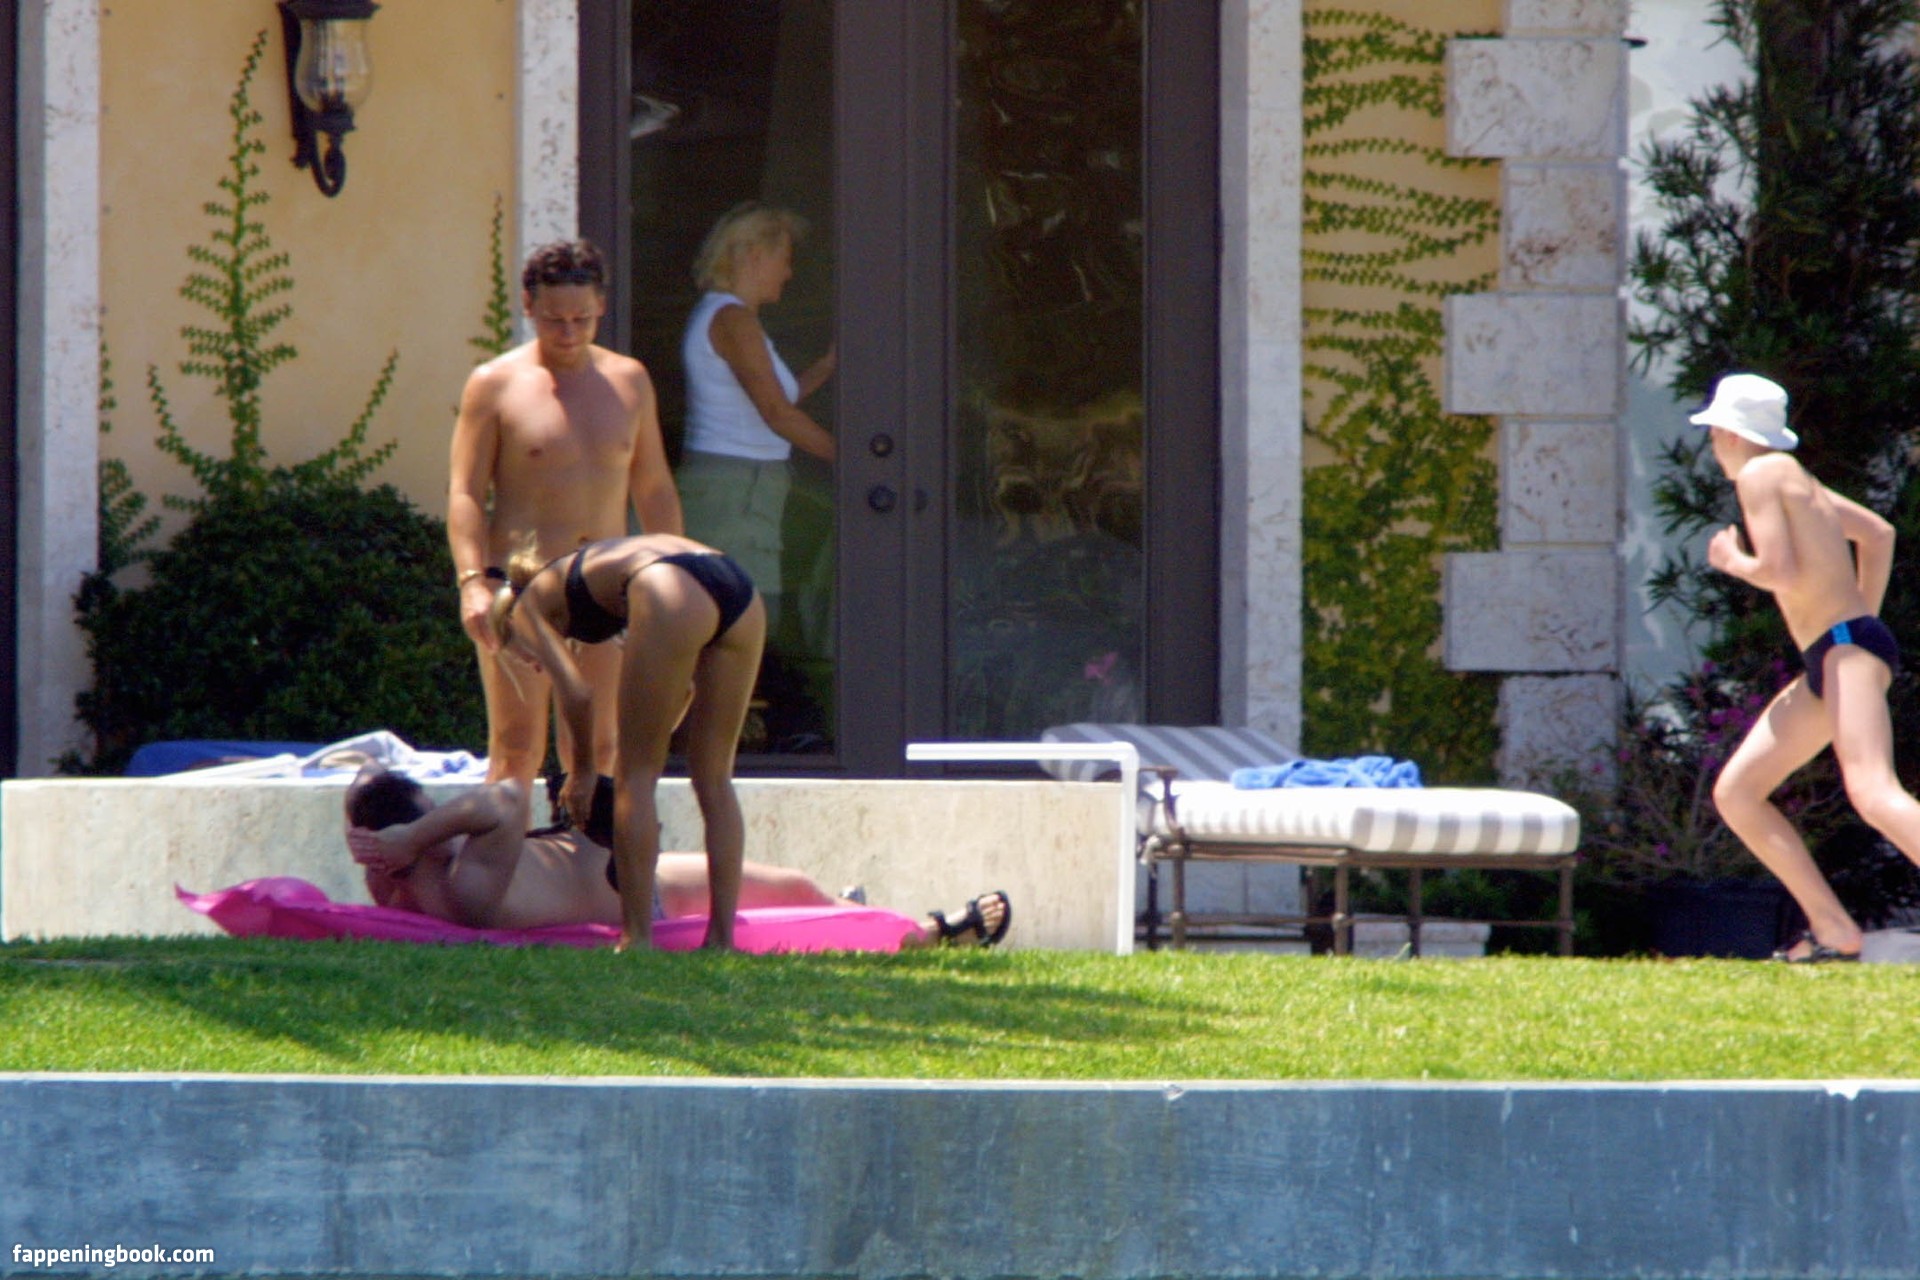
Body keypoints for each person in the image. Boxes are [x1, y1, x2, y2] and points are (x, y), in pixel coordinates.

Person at [1693, 372, 1920, 962]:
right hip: (1839, 649)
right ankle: (1833, 930)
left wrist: (1732, 559)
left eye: (1713, 434)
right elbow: (1878, 534)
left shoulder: (1761, 476)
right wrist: (1861, 625)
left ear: (1730, 434)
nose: (1714, 447)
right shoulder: (1797, 479)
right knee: (1739, 793)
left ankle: (1833, 930)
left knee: (1874, 791)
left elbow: (1779, 570)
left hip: (1843, 647)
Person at [448, 238, 683, 799]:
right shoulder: (494, 383)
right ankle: (503, 855)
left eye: (582, 318)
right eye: (555, 319)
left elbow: (653, 488)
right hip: (520, 586)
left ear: (601, 306)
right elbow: (465, 493)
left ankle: (586, 853)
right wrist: (471, 583)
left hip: (603, 586)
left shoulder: (630, 381)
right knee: (515, 747)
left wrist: (674, 579)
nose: (570, 332)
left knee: (601, 747)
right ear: (529, 306)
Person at [343, 764, 1012, 946]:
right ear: (411, 842)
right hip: (650, 897)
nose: (445, 819)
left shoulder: (417, 882)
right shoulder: (462, 884)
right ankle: (928, 933)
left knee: (800, 887)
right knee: (796, 889)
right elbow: (506, 798)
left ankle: (851, 911)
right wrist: (409, 841)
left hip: (638, 872)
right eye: (430, 815)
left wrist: (399, 845)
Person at [483, 530, 766, 950]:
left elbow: (577, 694)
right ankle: (722, 939)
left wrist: (582, 772)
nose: (533, 663)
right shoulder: (591, 583)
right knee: (714, 779)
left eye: (522, 655)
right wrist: (653, 733)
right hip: (737, 586)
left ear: (509, 627)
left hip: (671, 583)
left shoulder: (525, 609)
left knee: (633, 778)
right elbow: (685, 691)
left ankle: (636, 939)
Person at [677, 203, 836, 662]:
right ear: (753, 256)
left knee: (737, 621)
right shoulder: (734, 320)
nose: (788, 272)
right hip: (736, 488)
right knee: (743, 622)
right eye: (784, 258)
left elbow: (774, 399)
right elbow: (775, 413)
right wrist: (853, 459)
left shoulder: (730, 317)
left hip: (742, 484)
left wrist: (827, 367)